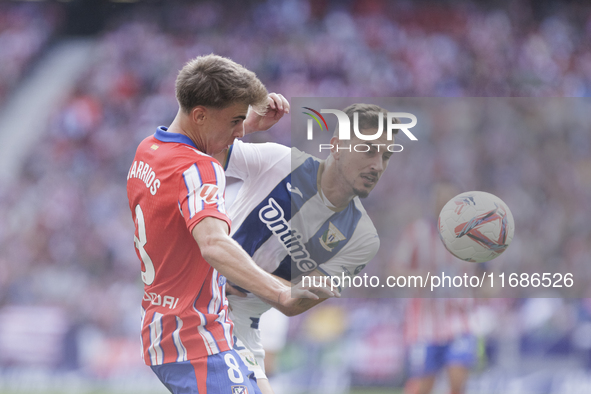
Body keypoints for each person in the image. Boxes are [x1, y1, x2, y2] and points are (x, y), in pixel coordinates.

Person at [126, 54, 335, 394]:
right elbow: (214, 244)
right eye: (235, 121)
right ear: (200, 115)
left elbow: (186, 166)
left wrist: (245, 123)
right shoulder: (198, 168)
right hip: (195, 339)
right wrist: (281, 292)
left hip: (172, 329)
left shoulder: (147, 151)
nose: (240, 133)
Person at [214, 103, 398, 393]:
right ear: (337, 146)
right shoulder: (281, 161)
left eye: (386, 157)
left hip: (240, 328)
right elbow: (200, 152)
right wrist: (246, 126)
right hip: (193, 298)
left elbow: (295, 302)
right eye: (368, 150)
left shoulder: (362, 239)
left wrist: (234, 271)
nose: (378, 165)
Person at [390, 183, 478, 394]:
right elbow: (395, 271)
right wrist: (416, 277)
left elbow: (486, 271)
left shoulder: (472, 235)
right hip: (424, 324)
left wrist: (489, 285)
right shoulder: (417, 233)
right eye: (442, 199)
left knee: (457, 379)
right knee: (422, 385)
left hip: (459, 320)